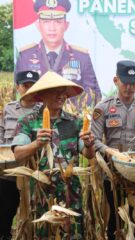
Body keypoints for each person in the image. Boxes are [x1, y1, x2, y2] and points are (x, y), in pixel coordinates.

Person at [11, 71, 95, 238]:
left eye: (63, 91)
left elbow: (88, 154)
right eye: (55, 91)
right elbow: (18, 154)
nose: (61, 95)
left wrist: (89, 144)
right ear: (42, 95)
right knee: (44, 234)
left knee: (73, 234)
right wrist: (37, 144)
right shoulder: (28, 122)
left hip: (71, 193)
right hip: (41, 194)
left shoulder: (74, 122)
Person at [91, 60, 135, 240]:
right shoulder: (102, 107)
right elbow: (93, 140)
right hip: (113, 173)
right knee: (114, 222)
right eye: (126, 83)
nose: (130, 88)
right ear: (116, 80)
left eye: (134, 84)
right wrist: (110, 151)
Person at [15, 0, 101, 105]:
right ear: (38, 25)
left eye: (57, 22)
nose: (52, 28)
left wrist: (71, 112)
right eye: (46, 22)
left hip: (70, 119)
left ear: (66, 25)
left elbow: (94, 95)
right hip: (35, 119)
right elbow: (18, 93)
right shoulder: (25, 56)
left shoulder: (81, 57)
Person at [0, 71, 41, 240]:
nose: (29, 89)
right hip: (8, 172)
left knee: (34, 213)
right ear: (18, 87)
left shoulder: (44, 110)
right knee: (5, 211)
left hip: (34, 174)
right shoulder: (9, 108)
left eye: (33, 85)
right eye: (25, 85)